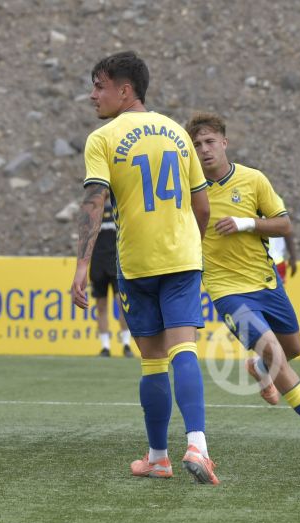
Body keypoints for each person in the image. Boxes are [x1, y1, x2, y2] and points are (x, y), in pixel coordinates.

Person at [70, 51, 218, 484]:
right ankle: (197, 446)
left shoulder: (103, 137)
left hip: (137, 263)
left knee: (153, 361)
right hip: (182, 258)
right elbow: (202, 205)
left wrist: (81, 266)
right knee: (184, 350)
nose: (93, 94)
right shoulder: (177, 131)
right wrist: (192, 243)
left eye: (100, 85)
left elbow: (94, 201)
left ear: (125, 89)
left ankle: (158, 457)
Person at [185, 112, 300, 442]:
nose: (204, 150)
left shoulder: (253, 180)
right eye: (196, 145)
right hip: (226, 290)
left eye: (210, 142)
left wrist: (246, 222)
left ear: (224, 142)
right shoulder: (187, 190)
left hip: (267, 283)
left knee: (291, 348)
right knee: (272, 349)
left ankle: (261, 368)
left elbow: (284, 224)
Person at [89, 199, 134, 358]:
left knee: (122, 305)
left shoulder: (120, 208)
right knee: (101, 307)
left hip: (116, 264)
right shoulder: (93, 213)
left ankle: (126, 344)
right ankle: (105, 347)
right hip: (98, 265)